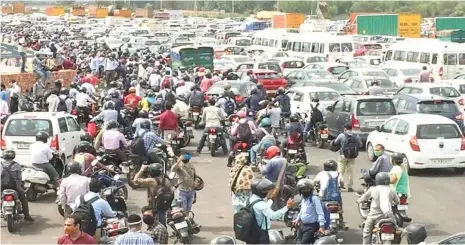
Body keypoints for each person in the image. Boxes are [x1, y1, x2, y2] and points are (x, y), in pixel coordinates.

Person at [249, 178, 295, 244]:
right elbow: (273, 216)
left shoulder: (252, 199)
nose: (267, 192)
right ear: (258, 191)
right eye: (264, 190)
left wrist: (272, 199)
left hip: (252, 230)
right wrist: (287, 207)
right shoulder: (261, 204)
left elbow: (264, 208)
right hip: (261, 232)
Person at [358, 172, 400, 245]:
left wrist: (358, 200)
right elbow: (397, 201)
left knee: (367, 232)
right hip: (389, 216)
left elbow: (364, 198)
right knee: (397, 230)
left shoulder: (373, 189)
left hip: (374, 216)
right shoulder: (391, 190)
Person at [0, 149, 34, 221]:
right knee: (23, 199)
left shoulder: (0, 164)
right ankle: (26, 216)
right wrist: (20, 184)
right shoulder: (17, 165)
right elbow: (19, 177)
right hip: (15, 186)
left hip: (2, 186)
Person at [314, 159, 347, 228]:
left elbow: (314, 182)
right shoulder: (338, 173)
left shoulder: (321, 173)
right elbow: (342, 183)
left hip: (323, 197)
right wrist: (342, 186)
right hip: (336, 198)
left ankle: (318, 222)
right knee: (339, 207)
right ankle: (341, 221)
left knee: (319, 210)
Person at [293, 179, 326, 244]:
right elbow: (302, 211)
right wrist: (297, 219)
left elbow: (320, 213)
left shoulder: (314, 199)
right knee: (298, 242)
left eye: (307, 189)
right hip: (302, 225)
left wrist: (322, 226)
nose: (305, 191)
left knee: (303, 243)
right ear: (300, 191)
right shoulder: (303, 199)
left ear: (310, 190)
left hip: (311, 227)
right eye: (303, 189)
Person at [333, 124, 363, 192]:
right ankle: (350, 187)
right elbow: (361, 144)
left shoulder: (342, 135)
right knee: (350, 172)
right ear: (351, 128)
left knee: (340, 171)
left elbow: (335, 142)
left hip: (343, 156)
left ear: (345, 129)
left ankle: (339, 185)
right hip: (352, 156)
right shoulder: (356, 136)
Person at [259, 146, 287, 210]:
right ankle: (281, 213)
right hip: (281, 183)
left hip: (272, 185)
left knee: (271, 200)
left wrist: (260, 166)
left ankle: (273, 215)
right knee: (280, 199)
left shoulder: (272, 161)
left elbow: (264, 172)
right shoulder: (284, 160)